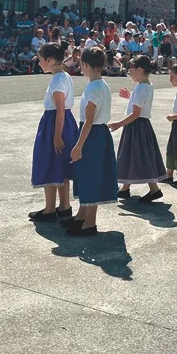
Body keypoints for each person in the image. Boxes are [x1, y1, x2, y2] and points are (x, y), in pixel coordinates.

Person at [65, 47, 117, 236]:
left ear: (86, 65)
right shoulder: (102, 85)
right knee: (89, 174)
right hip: (99, 133)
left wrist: (78, 145)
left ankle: (90, 222)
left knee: (90, 176)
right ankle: (82, 215)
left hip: (91, 134)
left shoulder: (93, 88)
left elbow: (89, 120)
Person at [29, 41, 78, 223]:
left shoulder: (58, 80)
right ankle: (64, 206)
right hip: (65, 122)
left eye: (40, 59)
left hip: (55, 123)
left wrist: (57, 135)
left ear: (49, 60)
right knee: (61, 165)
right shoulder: (64, 76)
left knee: (49, 162)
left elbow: (59, 110)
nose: (39, 63)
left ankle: (50, 209)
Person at [111, 54, 167, 202]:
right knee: (134, 155)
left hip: (136, 126)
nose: (129, 72)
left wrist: (119, 124)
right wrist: (130, 96)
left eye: (131, 69)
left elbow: (136, 113)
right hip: (142, 125)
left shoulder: (141, 88)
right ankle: (125, 188)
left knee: (137, 155)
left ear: (139, 70)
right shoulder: (146, 85)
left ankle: (154, 189)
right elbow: (140, 104)